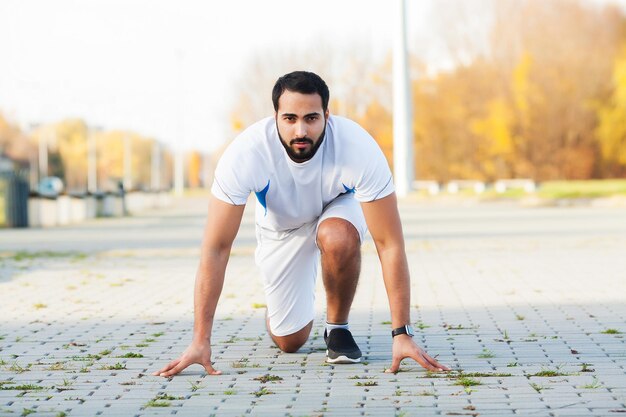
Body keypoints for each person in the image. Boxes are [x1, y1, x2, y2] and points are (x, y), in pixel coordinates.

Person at [154, 71, 449, 377]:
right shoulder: (246, 154)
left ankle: (337, 329)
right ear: (275, 117)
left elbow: (389, 244)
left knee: (338, 236)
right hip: (281, 228)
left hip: (337, 209)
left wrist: (401, 333)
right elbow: (215, 249)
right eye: (290, 118)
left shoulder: (357, 147)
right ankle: (280, 309)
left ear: (327, 115)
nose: (300, 130)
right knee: (290, 341)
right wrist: (200, 340)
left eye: (311, 118)